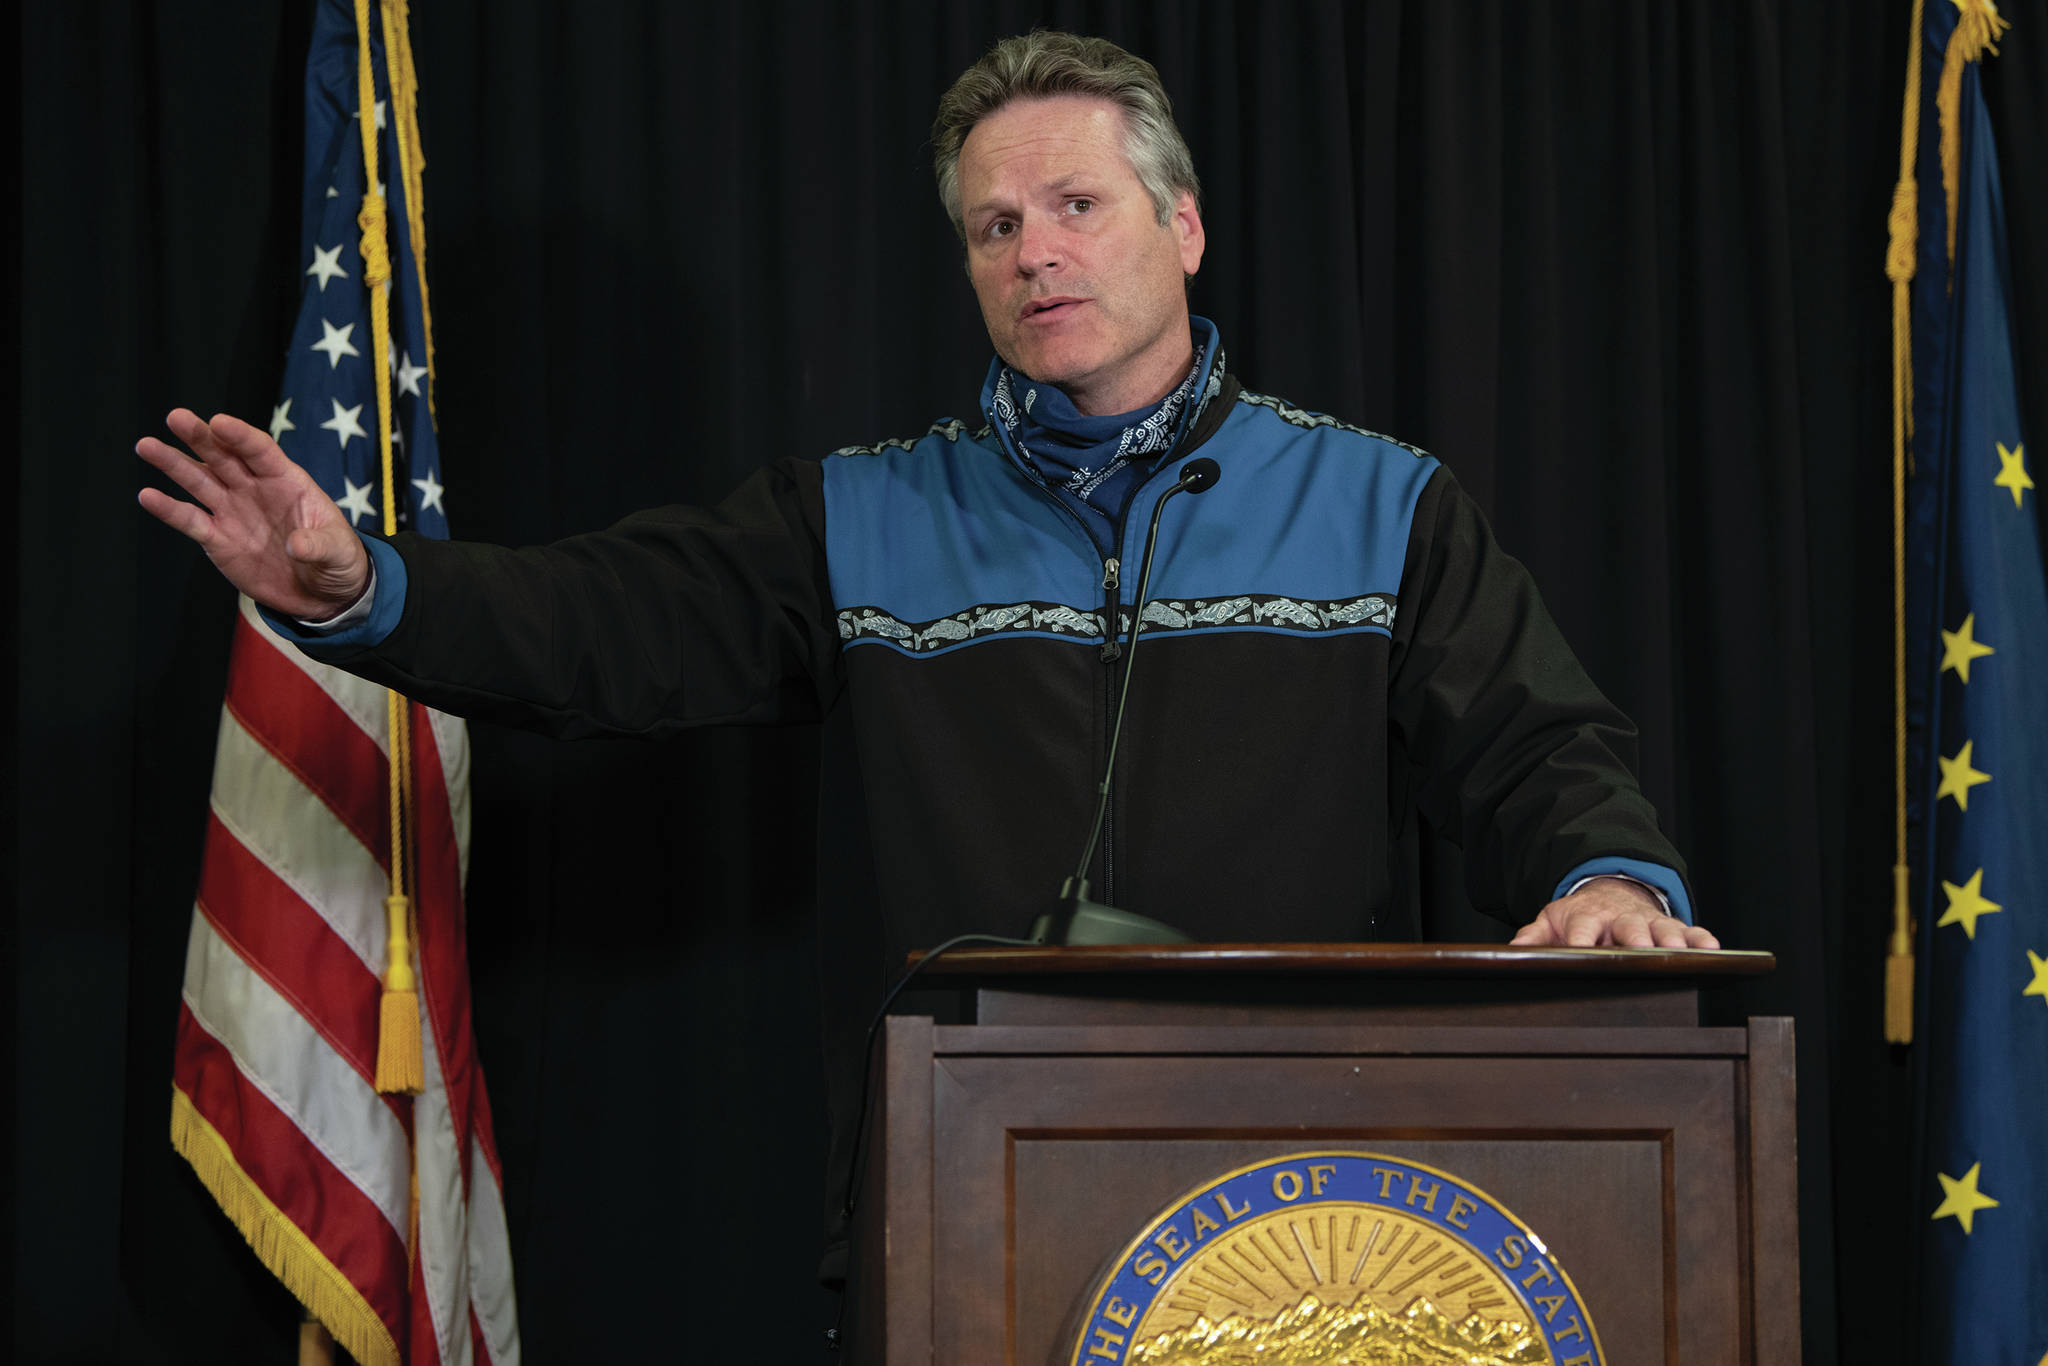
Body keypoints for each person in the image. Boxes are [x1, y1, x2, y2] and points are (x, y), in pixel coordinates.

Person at [138, 25, 1715, 1269]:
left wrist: (1611, 876)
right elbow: (599, 623)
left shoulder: (1382, 505)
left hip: (1307, 1197)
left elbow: (1541, 743)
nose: (1035, 252)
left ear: (1183, 224)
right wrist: (359, 587)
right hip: (968, 1199)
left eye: (1075, 207)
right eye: (993, 225)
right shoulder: (862, 518)